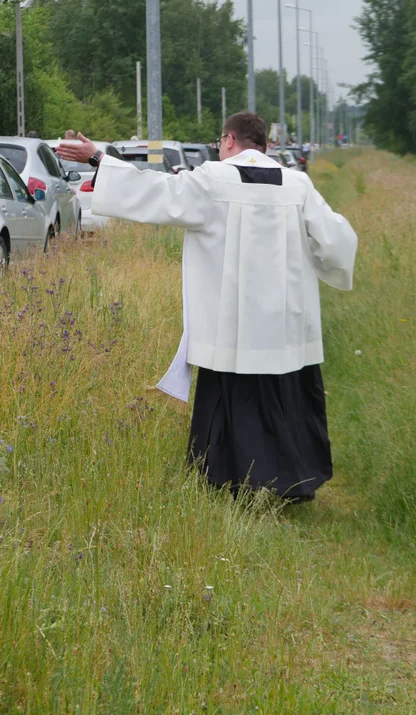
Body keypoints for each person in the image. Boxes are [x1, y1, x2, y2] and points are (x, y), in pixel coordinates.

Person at [57, 112, 358, 502]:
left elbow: (156, 191)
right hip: (286, 327)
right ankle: (292, 482)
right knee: (286, 399)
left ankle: (230, 481)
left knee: (236, 401)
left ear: (229, 140)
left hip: (230, 329)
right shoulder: (297, 184)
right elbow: (335, 239)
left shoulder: (213, 179)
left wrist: (98, 158)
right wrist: (325, 264)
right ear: (263, 144)